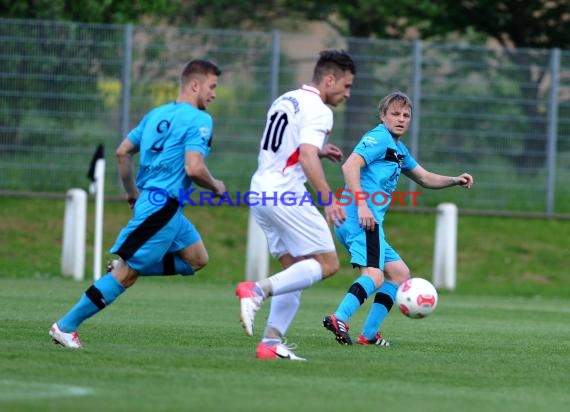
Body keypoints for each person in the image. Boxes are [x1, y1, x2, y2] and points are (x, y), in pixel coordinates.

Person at [49, 59, 225, 348]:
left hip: (162, 205)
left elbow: (122, 152)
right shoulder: (200, 119)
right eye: (212, 86)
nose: (214, 94)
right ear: (195, 85)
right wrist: (216, 185)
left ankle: (125, 263)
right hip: (162, 207)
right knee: (126, 275)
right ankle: (65, 326)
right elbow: (193, 168)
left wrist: (132, 193)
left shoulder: (156, 114)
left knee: (196, 258)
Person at [323, 91, 474, 346]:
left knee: (399, 274)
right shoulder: (378, 138)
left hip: (369, 222)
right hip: (361, 219)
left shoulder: (398, 150)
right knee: (374, 275)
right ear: (383, 116)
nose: (401, 119)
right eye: (395, 113)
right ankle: (339, 317)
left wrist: (454, 180)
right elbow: (350, 166)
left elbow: (424, 178)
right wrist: (362, 206)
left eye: (406, 115)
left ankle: (369, 335)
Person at [235, 50, 356, 361]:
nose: (348, 93)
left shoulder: (286, 99)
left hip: (260, 190)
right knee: (327, 264)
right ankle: (256, 290)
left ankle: (271, 344)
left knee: (299, 270)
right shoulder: (320, 110)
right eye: (346, 85)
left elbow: (290, 144)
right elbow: (303, 156)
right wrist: (328, 199)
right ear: (329, 79)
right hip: (285, 193)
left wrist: (319, 149)